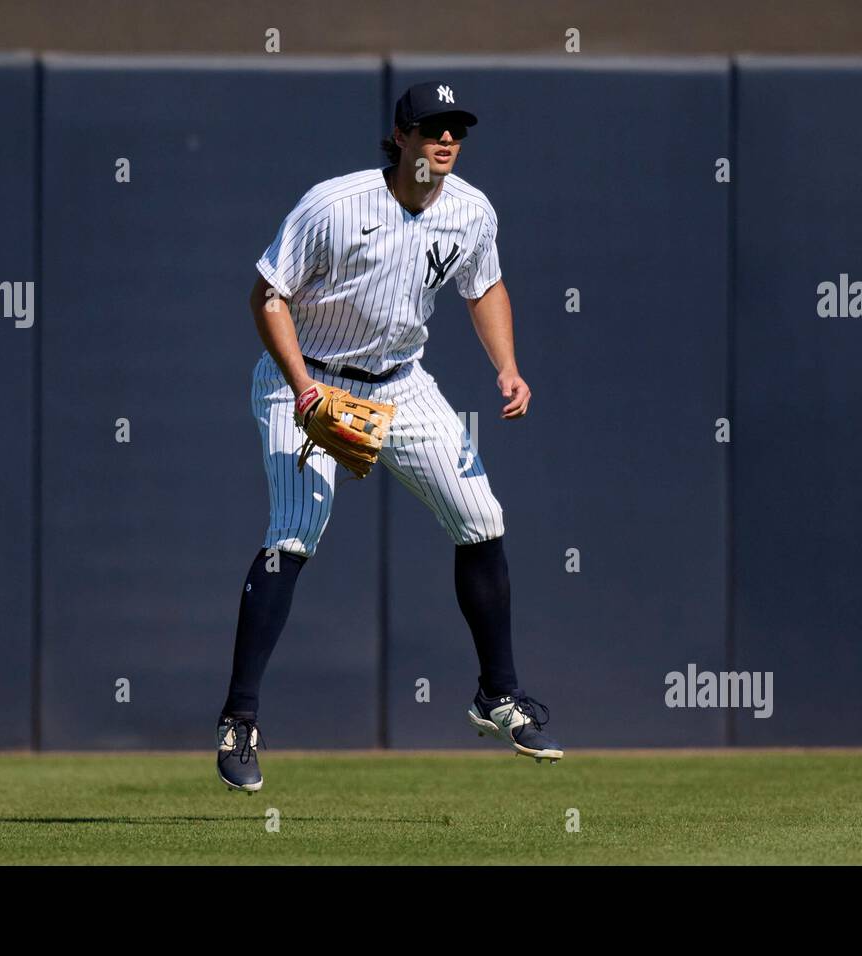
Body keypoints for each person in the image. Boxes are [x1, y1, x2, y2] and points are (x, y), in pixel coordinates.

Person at [217, 81, 562, 793]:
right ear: (400, 134)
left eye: (456, 131)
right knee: (294, 530)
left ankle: (496, 694)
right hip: (303, 375)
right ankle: (239, 720)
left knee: (482, 520)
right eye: (433, 128)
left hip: (400, 382)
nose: (446, 141)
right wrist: (306, 390)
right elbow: (267, 297)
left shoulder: (470, 212)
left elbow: (485, 286)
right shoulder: (335, 205)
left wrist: (508, 367)